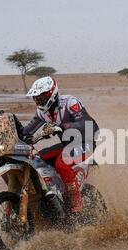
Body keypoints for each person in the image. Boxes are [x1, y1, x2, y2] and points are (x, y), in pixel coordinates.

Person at [21, 76, 99, 212]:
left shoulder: (70, 102)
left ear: (52, 93)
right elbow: (27, 130)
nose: (39, 100)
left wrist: (63, 126)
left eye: (42, 97)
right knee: (38, 159)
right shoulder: (42, 112)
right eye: (36, 98)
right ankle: (55, 193)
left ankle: (77, 203)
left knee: (61, 163)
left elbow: (88, 124)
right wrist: (7, 133)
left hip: (86, 143)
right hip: (67, 146)